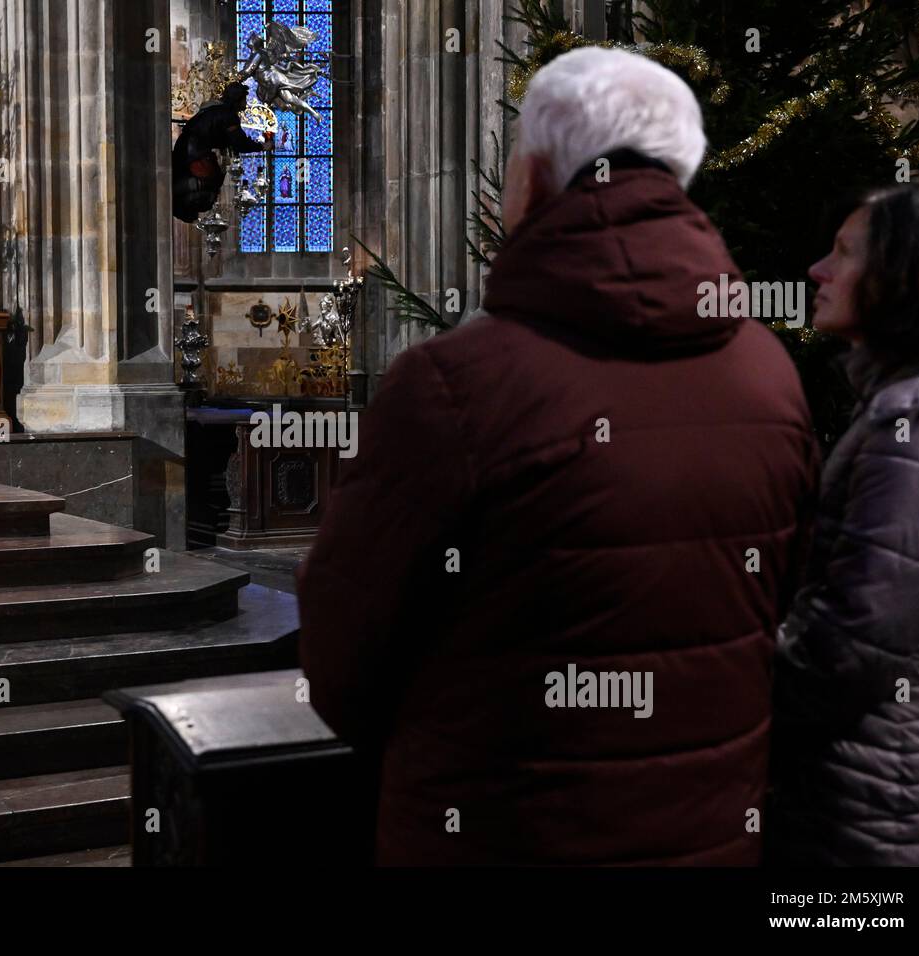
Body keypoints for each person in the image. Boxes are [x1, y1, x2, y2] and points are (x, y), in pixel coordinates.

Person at [296, 47, 819, 865]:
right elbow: (778, 608)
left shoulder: (452, 388)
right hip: (707, 836)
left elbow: (341, 654)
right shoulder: (769, 374)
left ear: (533, 179)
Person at [770, 185, 919, 866]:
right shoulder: (902, 409)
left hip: (877, 816)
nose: (817, 270)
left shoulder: (917, 431)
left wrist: (727, 694)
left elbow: (849, 651)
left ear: (902, 277)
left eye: (843, 255)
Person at [172, 82, 272, 223]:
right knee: (212, 180)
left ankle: (177, 195)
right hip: (195, 150)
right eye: (244, 99)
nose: (246, 103)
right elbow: (239, 142)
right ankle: (174, 194)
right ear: (237, 99)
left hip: (188, 147)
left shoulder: (216, 110)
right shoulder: (228, 115)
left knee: (213, 180)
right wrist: (262, 147)